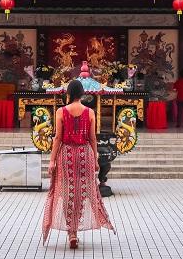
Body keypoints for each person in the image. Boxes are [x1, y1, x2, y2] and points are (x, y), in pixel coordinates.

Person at [42, 79, 114, 249]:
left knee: (66, 192)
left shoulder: (61, 111)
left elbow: (58, 138)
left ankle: (71, 232)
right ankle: (75, 229)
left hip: (66, 154)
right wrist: (95, 158)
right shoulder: (89, 112)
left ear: (68, 93)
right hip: (85, 155)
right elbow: (93, 138)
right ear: (82, 94)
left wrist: (52, 160)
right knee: (82, 192)